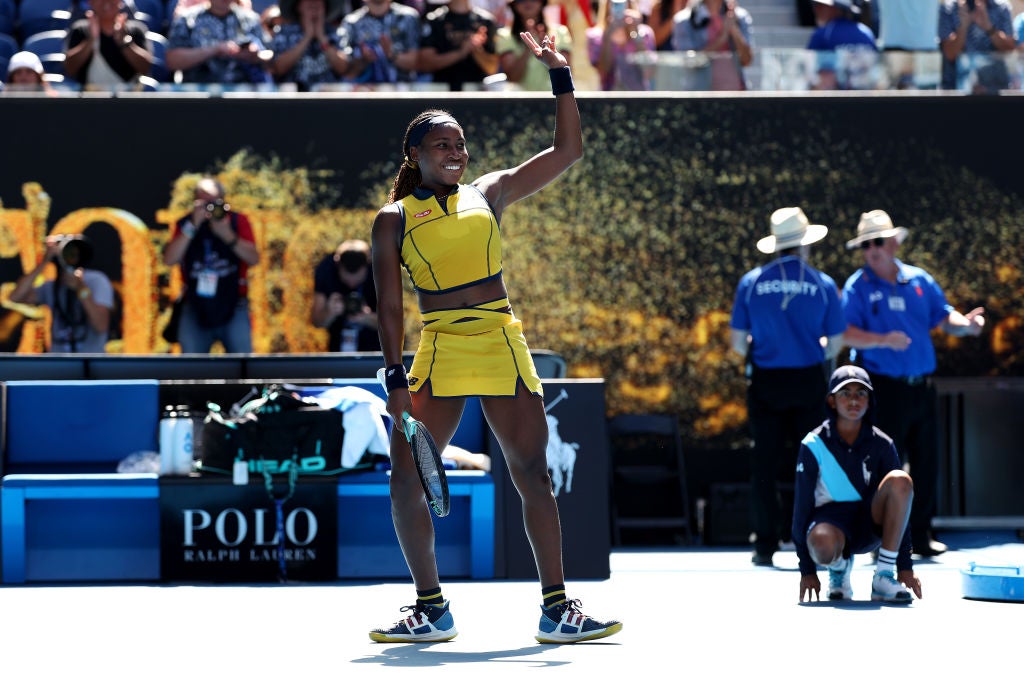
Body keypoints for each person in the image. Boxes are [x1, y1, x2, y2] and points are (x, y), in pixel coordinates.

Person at [368, 33, 620, 643]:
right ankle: (431, 607)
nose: (455, 151)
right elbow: (389, 308)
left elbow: (568, 149)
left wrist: (561, 77)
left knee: (532, 474)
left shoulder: (489, 192)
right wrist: (396, 379)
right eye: (441, 144)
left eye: (459, 143)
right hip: (441, 347)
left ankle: (558, 608)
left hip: (500, 340)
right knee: (406, 476)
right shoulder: (393, 219)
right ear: (415, 154)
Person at [840, 209, 985, 557]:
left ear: (893, 243)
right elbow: (845, 333)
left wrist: (964, 324)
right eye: (865, 245)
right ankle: (879, 538)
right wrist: (881, 340)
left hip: (921, 387)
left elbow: (943, 316)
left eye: (877, 242)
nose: (871, 250)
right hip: (883, 388)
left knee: (926, 462)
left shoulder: (919, 281)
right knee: (884, 465)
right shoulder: (857, 286)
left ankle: (920, 535)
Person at [730, 207, 847, 567]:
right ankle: (814, 539)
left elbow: (737, 343)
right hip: (809, 380)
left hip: (766, 381)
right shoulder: (823, 284)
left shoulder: (752, 283)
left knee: (764, 464)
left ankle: (765, 544)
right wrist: (813, 348)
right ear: (805, 245)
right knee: (812, 463)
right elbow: (837, 342)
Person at [793, 365, 922, 604]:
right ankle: (839, 568)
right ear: (832, 401)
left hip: (869, 526)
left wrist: (905, 565)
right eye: (845, 393)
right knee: (821, 542)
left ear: (870, 401)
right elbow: (801, 510)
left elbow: (900, 505)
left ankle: (883, 576)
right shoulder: (812, 444)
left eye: (861, 393)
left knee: (901, 480)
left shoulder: (883, 444)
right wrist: (807, 570)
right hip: (830, 523)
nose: (854, 400)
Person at [162, 176, 261, 354]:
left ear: (223, 201)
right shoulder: (186, 223)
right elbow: (169, 260)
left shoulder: (237, 221)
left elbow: (254, 259)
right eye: (203, 201)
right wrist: (193, 225)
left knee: (243, 363)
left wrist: (227, 235)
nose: (209, 207)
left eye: (214, 202)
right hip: (195, 305)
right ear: (195, 201)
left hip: (234, 304)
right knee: (191, 368)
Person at [9, 234, 114, 353]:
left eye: (74, 254)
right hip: (59, 363)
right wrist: (44, 261)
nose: (70, 257)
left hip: (89, 362)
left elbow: (101, 326)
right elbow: (15, 297)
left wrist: (80, 288)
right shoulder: (51, 286)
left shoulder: (96, 280)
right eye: (67, 252)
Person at [166, 0, 274, 86]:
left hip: (244, 94)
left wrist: (254, 55)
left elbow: (272, 57)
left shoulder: (251, 20)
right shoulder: (188, 20)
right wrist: (214, 50)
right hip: (199, 93)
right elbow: (172, 61)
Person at [63, 0, 153, 90]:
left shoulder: (136, 30)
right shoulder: (80, 30)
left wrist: (124, 42)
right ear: (90, 2)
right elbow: (70, 69)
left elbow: (145, 68)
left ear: (120, 2)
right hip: (90, 100)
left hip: (129, 99)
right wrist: (91, 40)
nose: (106, 2)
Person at [311, 238, 380, 351]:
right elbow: (317, 322)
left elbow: (395, 324)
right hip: (337, 349)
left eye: (357, 279)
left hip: (376, 351)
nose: (351, 284)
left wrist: (367, 318)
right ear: (338, 265)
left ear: (367, 266)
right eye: (347, 280)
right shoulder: (326, 270)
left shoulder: (383, 270)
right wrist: (329, 312)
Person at [336, 0, 422, 85]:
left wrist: (391, 54)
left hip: (401, 92)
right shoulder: (351, 22)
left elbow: (417, 62)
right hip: (362, 92)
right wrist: (363, 60)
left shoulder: (408, 17)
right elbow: (344, 69)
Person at [419, 0, 500, 91]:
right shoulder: (434, 20)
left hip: (476, 92)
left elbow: (492, 68)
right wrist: (462, 52)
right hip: (443, 91)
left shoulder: (485, 21)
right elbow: (425, 64)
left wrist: (476, 49)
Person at [672, 0, 753, 90]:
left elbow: (747, 60)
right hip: (701, 94)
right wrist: (723, 36)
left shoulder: (740, 16)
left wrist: (734, 29)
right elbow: (688, 62)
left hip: (736, 92)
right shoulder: (684, 20)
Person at [270, 0, 350, 90]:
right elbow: (278, 68)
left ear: (325, 6)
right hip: (293, 98)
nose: (314, 3)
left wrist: (322, 38)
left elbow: (344, 68)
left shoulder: (336, 33)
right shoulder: (284, 32)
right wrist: (307, 37)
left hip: (328, 97)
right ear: (298, 6)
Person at [938, 0, 1015, 91]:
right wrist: (963, 27)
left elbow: (1009, 48)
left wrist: (989, 27)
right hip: (957, 90)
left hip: (994, 89)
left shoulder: (1002, 8)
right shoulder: (949, 9)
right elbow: (950, 54)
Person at [497, 0, 573, 91]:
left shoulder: (561, 32)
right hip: (520, 101)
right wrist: (528, 48)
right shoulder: (504, 35)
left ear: (542, 2)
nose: (528, 3)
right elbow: (513, 77)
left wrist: (548, 53)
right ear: (514, 5)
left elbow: (564, 73)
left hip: (554, 99)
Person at [587, 0, 656, 90]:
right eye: (614, 3)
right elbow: (603, 72)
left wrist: (636, 34)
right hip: (609, 98)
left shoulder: (645, 33)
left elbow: (649, 72)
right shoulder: (595, 36)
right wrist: (608, 36)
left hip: (639, 97)